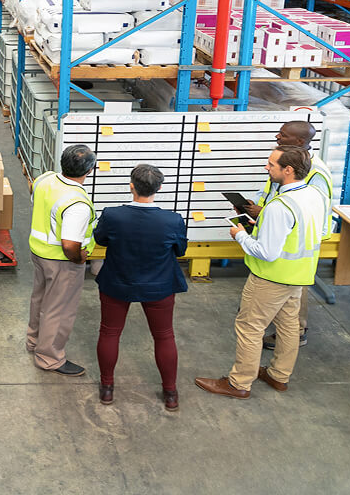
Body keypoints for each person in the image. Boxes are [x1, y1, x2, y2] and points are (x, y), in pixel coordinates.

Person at [195, 145, 328, 400]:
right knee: (289, 327)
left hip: (271, 278)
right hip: (298, 275)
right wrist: (260, 224)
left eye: (271, 165)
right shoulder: (312, 195)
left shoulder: (281, 205)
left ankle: (239, 383)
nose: (266, 168)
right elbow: (293, 234)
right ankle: (279, 376)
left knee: (249, 327)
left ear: (287, 170)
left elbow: (267, 252)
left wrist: (241, 235)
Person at [91, 163, 187, 410]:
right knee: (164, 335)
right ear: (160, 188)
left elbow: (100, 238)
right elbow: (180, 250)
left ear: (131, 186)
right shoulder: (172, 220)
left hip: (117, 281)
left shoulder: (112, 215)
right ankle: (170, 393)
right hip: (159, 285)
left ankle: (107, 389)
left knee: (109, 332)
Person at [241, 120, 336, 350]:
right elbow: (277, 191)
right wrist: (258, 209)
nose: (277, 137)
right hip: (278, 225)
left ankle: (299, 331)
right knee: (287, 301)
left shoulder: (316, 172)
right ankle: (281, 368)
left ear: (300, 141)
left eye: (283, 135)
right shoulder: (288, 161)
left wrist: (264, 214)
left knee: (295, 289)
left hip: (299, 238)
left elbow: (308, 208)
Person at [25, 144, 96, 377]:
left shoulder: (45, 179)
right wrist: (78, 260)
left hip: (39, 252)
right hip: (62, 262)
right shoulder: (77, 203)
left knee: (40, 299)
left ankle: (34, 342)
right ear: (89, 171)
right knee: (60, 309)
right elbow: (70, 245)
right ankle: (50, 358)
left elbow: (32, 189)